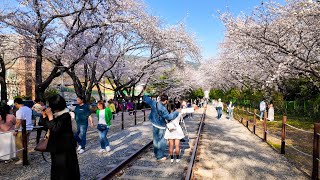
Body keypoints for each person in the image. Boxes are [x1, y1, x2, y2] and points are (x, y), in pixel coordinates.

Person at [44, 95, 80, 179]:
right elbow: (46, 126)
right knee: (57, 168)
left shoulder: (66, 115)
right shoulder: (55, 115)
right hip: (56, 147)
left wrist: (50, 116)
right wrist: (44, 115)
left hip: (64, 148)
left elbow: (56, 129)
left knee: (66, 168)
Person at [143, 93, 179, 161]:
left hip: (154, 124)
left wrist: (144, 94)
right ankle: (160, 156)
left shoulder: (154, 103)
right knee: (162, 141)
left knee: (155, 140)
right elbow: (169, 117)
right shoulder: (163, 109)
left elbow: (147, 99)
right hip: (161, 126)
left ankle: (156, 153)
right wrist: (176, 113)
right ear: (166, 101)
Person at [13, 98, 33, 165]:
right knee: (25, 144)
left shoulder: (19, 111)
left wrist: (16, 130)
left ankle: (22, 159)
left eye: (15, 104)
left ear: (16, 103)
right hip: (29, 128)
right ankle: (26, 157)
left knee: (19, 144)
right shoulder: (28, 109)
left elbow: (18, 122)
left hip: (22, 130)